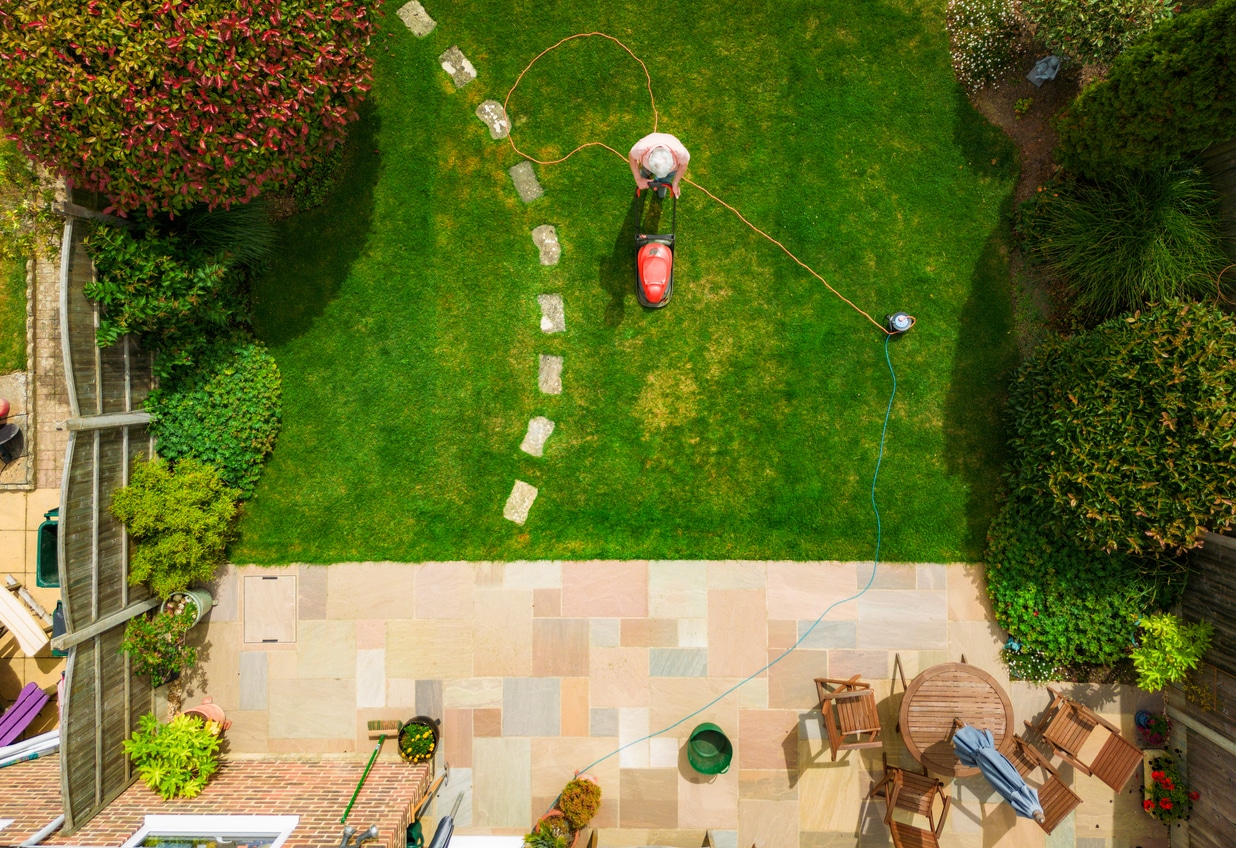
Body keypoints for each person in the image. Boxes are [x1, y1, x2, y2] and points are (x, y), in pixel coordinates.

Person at [628, 132, 690, 199]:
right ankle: (645, 174)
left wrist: (675, 183)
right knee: (645, 172)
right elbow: (632, 157)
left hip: (671, 172)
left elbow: (684, 164)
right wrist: (638, 179)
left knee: (662, 190)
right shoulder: (640, 149)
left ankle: (663, 182)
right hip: (646, 167)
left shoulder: (681, 153)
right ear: (649, 158)